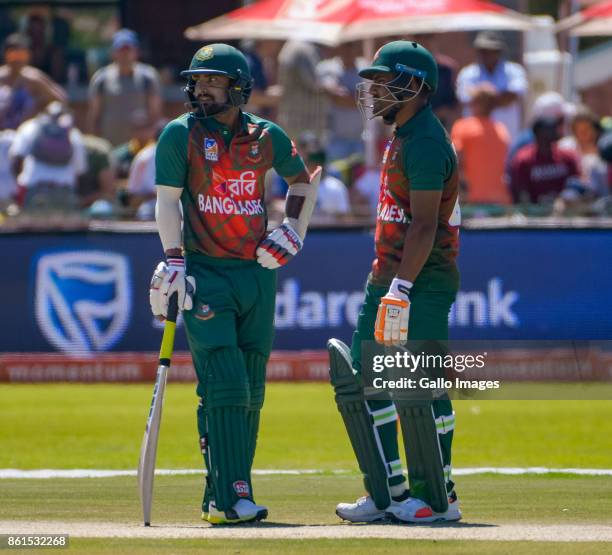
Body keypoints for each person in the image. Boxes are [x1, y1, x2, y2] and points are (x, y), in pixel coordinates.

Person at [148, 44, 320, 525]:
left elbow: (303, 184)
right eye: (197, 81)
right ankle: (233, 497)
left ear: (239, 88)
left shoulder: (267, 136)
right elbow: (167, 203)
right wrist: (174, 260)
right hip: (206, 272)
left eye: (213, 81)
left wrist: (293, 232)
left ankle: (218, 492)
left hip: (257, 273)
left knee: (250, 389)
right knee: (224, 382)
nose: (201, 89)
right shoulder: (180, 134)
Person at [329, 40, 461, 524]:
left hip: (421, 280)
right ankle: (389, 493)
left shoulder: (426, 140)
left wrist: (401, 288)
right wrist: (388, 282)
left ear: (415, 86)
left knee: (422, 381)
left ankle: (438, 495)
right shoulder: (403, 134)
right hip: (389, 275)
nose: (376, 89)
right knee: (371, 380)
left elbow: (425, 224)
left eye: (386, 80)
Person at [86, 29, 162, 146]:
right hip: (109, 146)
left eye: (128, 50)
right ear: (113, 52)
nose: (125, 54)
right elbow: (94, 116)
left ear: (136, 52)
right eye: (121, 50)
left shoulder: (148, 77)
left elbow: (155, 115)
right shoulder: (101, 78)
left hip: (139, 149)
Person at [9, 101, 86, 211]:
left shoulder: (29, 127)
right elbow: (80, 169)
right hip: (64, 188)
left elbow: (16, 159)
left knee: (33, 226)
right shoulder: (73, 133)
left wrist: (17, 185)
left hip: (34, 186)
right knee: (64, 227)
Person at [456, 31, 528, 142]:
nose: (487, 54)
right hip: (475, 141)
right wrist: (499, 98)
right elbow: (466, 98)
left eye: (491, 50)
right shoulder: (467, 73)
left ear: (499, 51)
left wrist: (482, 98)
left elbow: (514, 94)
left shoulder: (515, 71)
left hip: (507, 139)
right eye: (483, 50)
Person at [451, 83, 510, 205]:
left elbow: (456, 161)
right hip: (499, 200)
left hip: (470, 201)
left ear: (477, 103)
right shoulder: (502, 130)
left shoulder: (462, 127)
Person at [0, 33, 66, 130]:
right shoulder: (1, 76)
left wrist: (39, 107)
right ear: (6, 55)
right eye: (14, 55)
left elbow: (61, 99)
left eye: (21, 55)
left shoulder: (33, 79)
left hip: (26, 135)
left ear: (28, 56)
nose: (17, 60)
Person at [509, 116, 580, 204]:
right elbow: (520, 192)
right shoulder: (524, 160)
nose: (549, 136)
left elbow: (576, 185)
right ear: (536, 135)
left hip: (563, 210)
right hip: (535, 212)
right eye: (545, 133)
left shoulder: (567, 157)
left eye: (552, 132)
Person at [317, 41, 365, 161]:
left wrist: (352, 97)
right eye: (345, 45)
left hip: (361, 138)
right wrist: (357, 97)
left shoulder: (366, 67)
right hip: (335, 139)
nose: (348, 50)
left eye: (351, 45)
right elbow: (337, 97)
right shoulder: (327, 67)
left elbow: (368, 97)